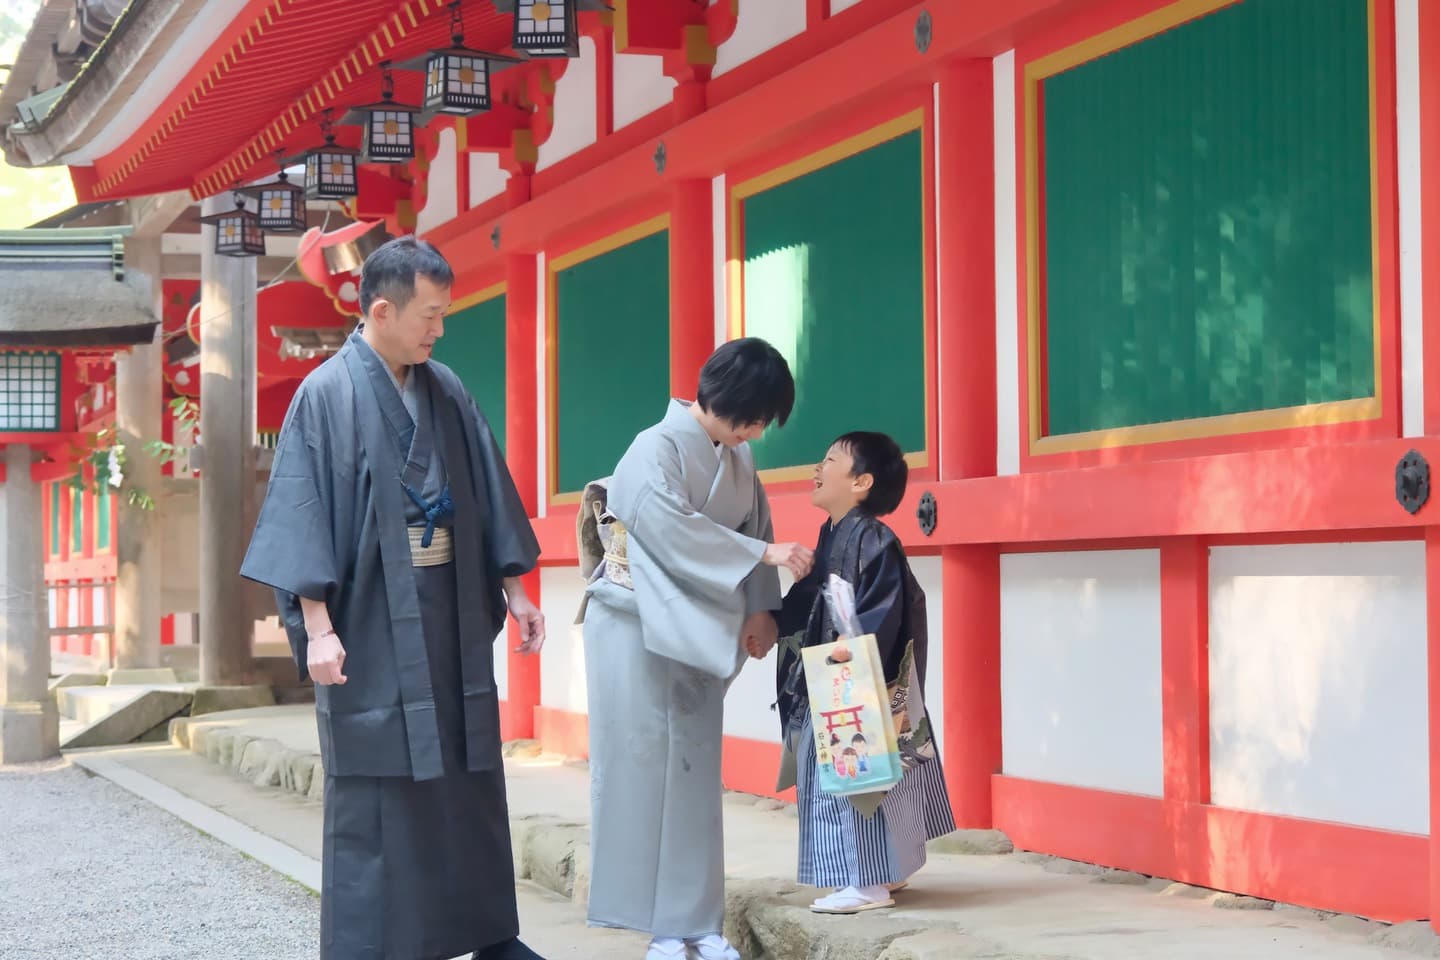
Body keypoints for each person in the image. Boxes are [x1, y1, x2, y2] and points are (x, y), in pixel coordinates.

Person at [240, 236, 547, 960]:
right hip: (372, 617)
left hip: (447, 607)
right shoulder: (327, 394)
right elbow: (301, 516)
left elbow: (488, 491)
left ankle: (485, 936)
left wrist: (517, 589)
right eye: (430, 315)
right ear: (382, 310)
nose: (439, 329)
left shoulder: (445, 387)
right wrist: (317, 628)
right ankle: (376, 946)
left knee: (466, 767)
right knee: (380, 777)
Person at [582, 338, 815, 960]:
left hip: (692, 625)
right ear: (735, 401)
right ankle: (655, 924)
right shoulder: (651, 448)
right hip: (631, 621)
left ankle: (697, 921)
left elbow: (754, 526)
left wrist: (762, 609)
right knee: (640, 767)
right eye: (760, 417)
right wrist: (760, 557)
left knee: (692, 774)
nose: (760, 431)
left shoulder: (737, 462)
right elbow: (666, 528)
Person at [773, 431, 954, 916]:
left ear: (861, 482)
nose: (817, 467)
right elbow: (810, 602)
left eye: (829, 460)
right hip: (843, 671)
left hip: (855, 677)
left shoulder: (871, 538)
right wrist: (772, 625)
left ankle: (867, 881)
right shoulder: (836, 535)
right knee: (867, 776)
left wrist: (847, 662)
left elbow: (878, 610)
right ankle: (887, 870)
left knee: (854, 774)